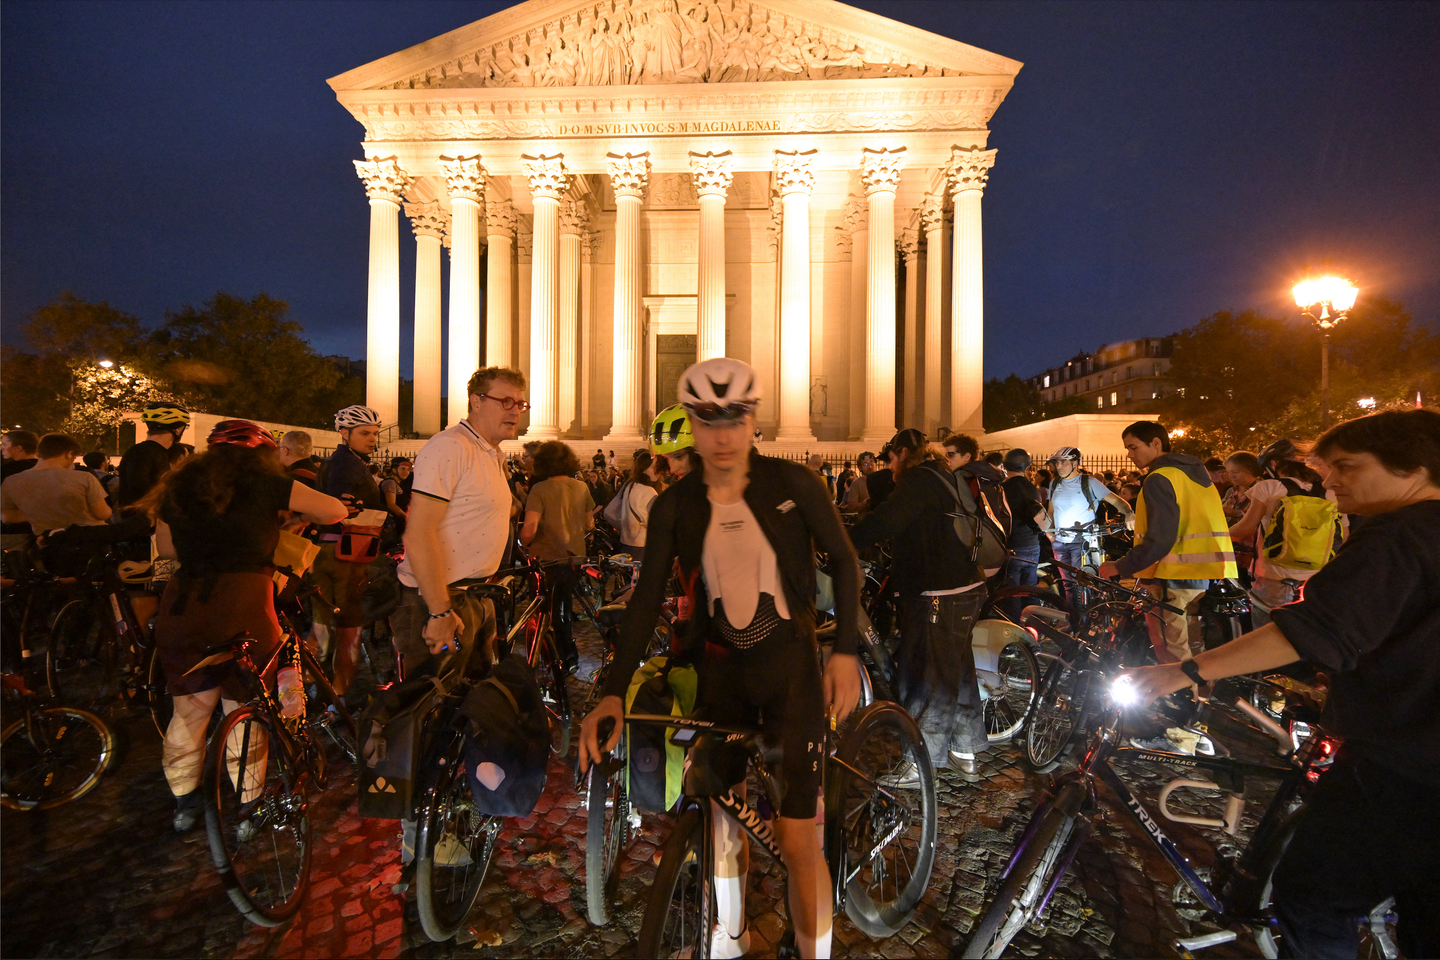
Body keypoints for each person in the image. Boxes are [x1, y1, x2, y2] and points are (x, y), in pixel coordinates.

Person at [1122, 408, 1440, 960]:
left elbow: (1313, 631)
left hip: (1402, 764)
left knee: (1313, 898)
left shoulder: (1400, 535)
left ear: (1413, 467)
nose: (1330, 481)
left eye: (1346, 466)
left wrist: (1184, 670)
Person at [579, 357, 862, 960]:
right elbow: (646, 599)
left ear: (753, 419)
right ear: (693, 424)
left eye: (735, 417)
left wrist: (844, 652)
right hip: (720, 674)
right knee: (719, 815)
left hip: (790, 674)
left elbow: (845, 560)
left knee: (797, 841)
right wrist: (611, 688)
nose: (724, 434)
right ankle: (728, 938)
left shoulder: (794, 485)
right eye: (708, 420)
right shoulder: (675, 506)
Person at [142, 420, 346, 832]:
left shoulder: (178, 486)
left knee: (188, 713)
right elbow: (335, 511)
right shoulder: (266, 484)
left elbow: (165, 548)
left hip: (183, 602)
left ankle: (185, 805)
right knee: (246, 709)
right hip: (244, 601)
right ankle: (248, 810)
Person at [851, 428, 988, 776]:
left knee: (924, 675)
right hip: (965, 587)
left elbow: (885, 522)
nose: (889, 465)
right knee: (957, 671)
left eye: (891, 457)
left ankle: (919, 763)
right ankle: (966, 751)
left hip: (938, 592)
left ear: (904, 453)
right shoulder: (942, 475)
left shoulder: (918, 480)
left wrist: (839, 539)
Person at [1098, 421, 1236, 673]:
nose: (1129, 455)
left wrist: (1120, 566)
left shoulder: (1159, 478)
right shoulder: (1194, 475)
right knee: (1193, 648)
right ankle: (1199, 700)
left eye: (1133, 447)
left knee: (1171, 651)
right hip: (1204, 574)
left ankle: (1184, 702)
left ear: (1156, 443)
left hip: (1171, 576)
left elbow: (1160, 538)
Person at [311, 404, 386, 696]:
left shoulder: (339, 461)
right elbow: (339, 505)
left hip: (329, 552)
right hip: (348, 555)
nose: (372, 439)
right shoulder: (347, 464)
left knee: (321, 625)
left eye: (375, 433)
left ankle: (302, 687)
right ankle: (337, 699)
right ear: (344, 433)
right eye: (365, 433)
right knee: (348, 631)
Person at [1227, 439, 1336, 627]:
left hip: (1273, 576)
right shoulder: (1329, 491)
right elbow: (1344, 534)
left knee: (1266, 638)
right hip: (1317, 578)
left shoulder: (1269, 487)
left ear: (1273, 464)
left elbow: (1244, 528)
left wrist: (1213, 537)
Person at [520, 441, 594, 675]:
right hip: (573, 559)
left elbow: (529, 530)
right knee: (563, 607)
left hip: (546, 561)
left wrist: (522, 540)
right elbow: (589, 524)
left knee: (544, 611)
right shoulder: (582, 487)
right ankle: (569, 653)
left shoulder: (540, 489)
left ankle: (550, 655)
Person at [1043, 445, 1133, 582]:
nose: (1059, 466)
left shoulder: (1089, 482)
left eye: (1063, 462)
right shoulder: (1054, 483)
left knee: (1082, 583)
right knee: (1066, 582)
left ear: (1074, 463)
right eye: (1057, 463)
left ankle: (1086, 603)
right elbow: (1051, 510)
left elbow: (1117, 502)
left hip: (1082, 542)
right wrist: (1050, 535)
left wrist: (1129, 513)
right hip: (1059, 542)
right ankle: (1069, 604)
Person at [0, 433, 112, 534]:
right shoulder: (85, 478)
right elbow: (102, 514)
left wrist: (39, 514)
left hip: (48, 542)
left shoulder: (11, 481)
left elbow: (6, 517)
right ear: (69, 454)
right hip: (87, 539)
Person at [116, 401, 190, 510]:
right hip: (143, 521)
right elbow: (139, 487)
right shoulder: (142, 452)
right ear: (178, 429)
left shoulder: (142, 451)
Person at [999, 449, 1045, 614]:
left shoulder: (1001, 489)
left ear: (1004, 466)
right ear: (1027, 467)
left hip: (1012, 547)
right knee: (1030, 590)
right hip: (1032, 545)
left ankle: (1015, 630)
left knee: (1012, 595)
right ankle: (1033, 626)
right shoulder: (1033, 488)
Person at [610, 450, 661, 560]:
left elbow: (608, 512)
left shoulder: (629, 486)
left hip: (626, 545)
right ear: (643, 469)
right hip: (643, 547)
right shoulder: (650, 492)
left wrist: (624, 527)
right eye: (653, 467)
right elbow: (659, 523)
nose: (657, 471)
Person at [380, 457, 413, 541]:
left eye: (408, 469)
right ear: (394, 470)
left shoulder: (398, 484)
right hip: (393, 523)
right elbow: (391, 504)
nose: (406, 472)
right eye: (402, 469)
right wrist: (406, 517)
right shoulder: (390, 482)